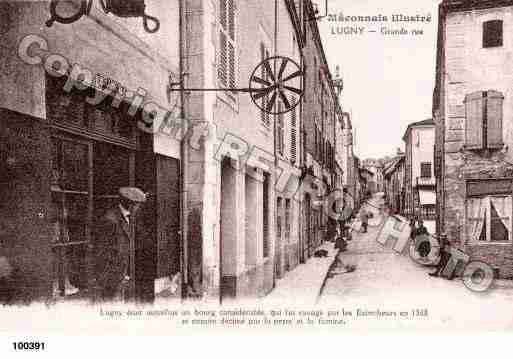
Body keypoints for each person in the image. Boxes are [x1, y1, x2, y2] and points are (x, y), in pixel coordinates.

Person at [94, 187, 147, 302]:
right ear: (130, 204)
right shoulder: (110, 220)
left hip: (123, 276)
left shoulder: (129, 217)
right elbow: (102, 253)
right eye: (138, 205)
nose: (139, 208)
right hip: (112, 280)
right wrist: (107, 281)